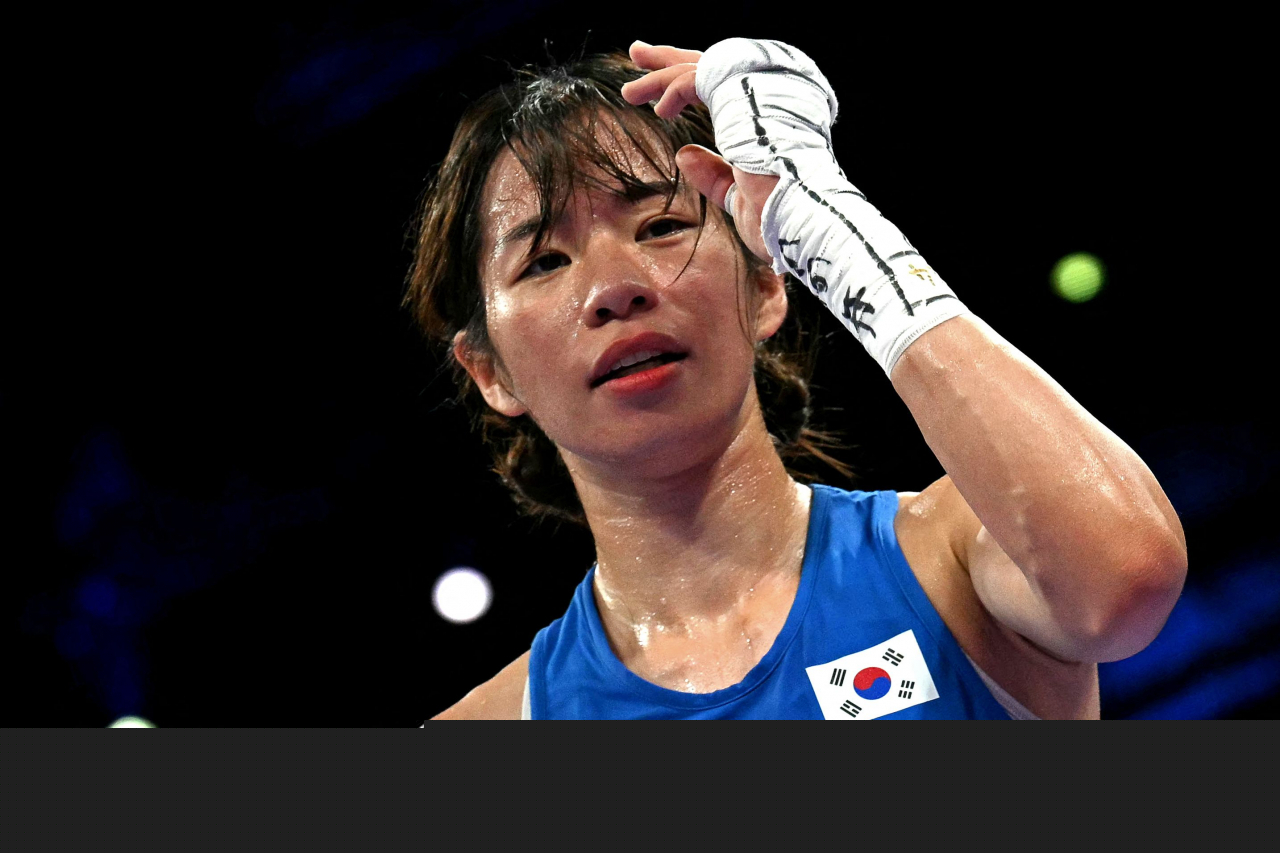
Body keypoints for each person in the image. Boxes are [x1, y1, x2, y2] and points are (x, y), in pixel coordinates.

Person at [408, 38, 1187, 719]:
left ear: (768, 281)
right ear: (488, 369)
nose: (616, 286)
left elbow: (1126, 582)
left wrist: (827, 218)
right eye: (545, 260)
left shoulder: (956, 557)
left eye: (663, 226)